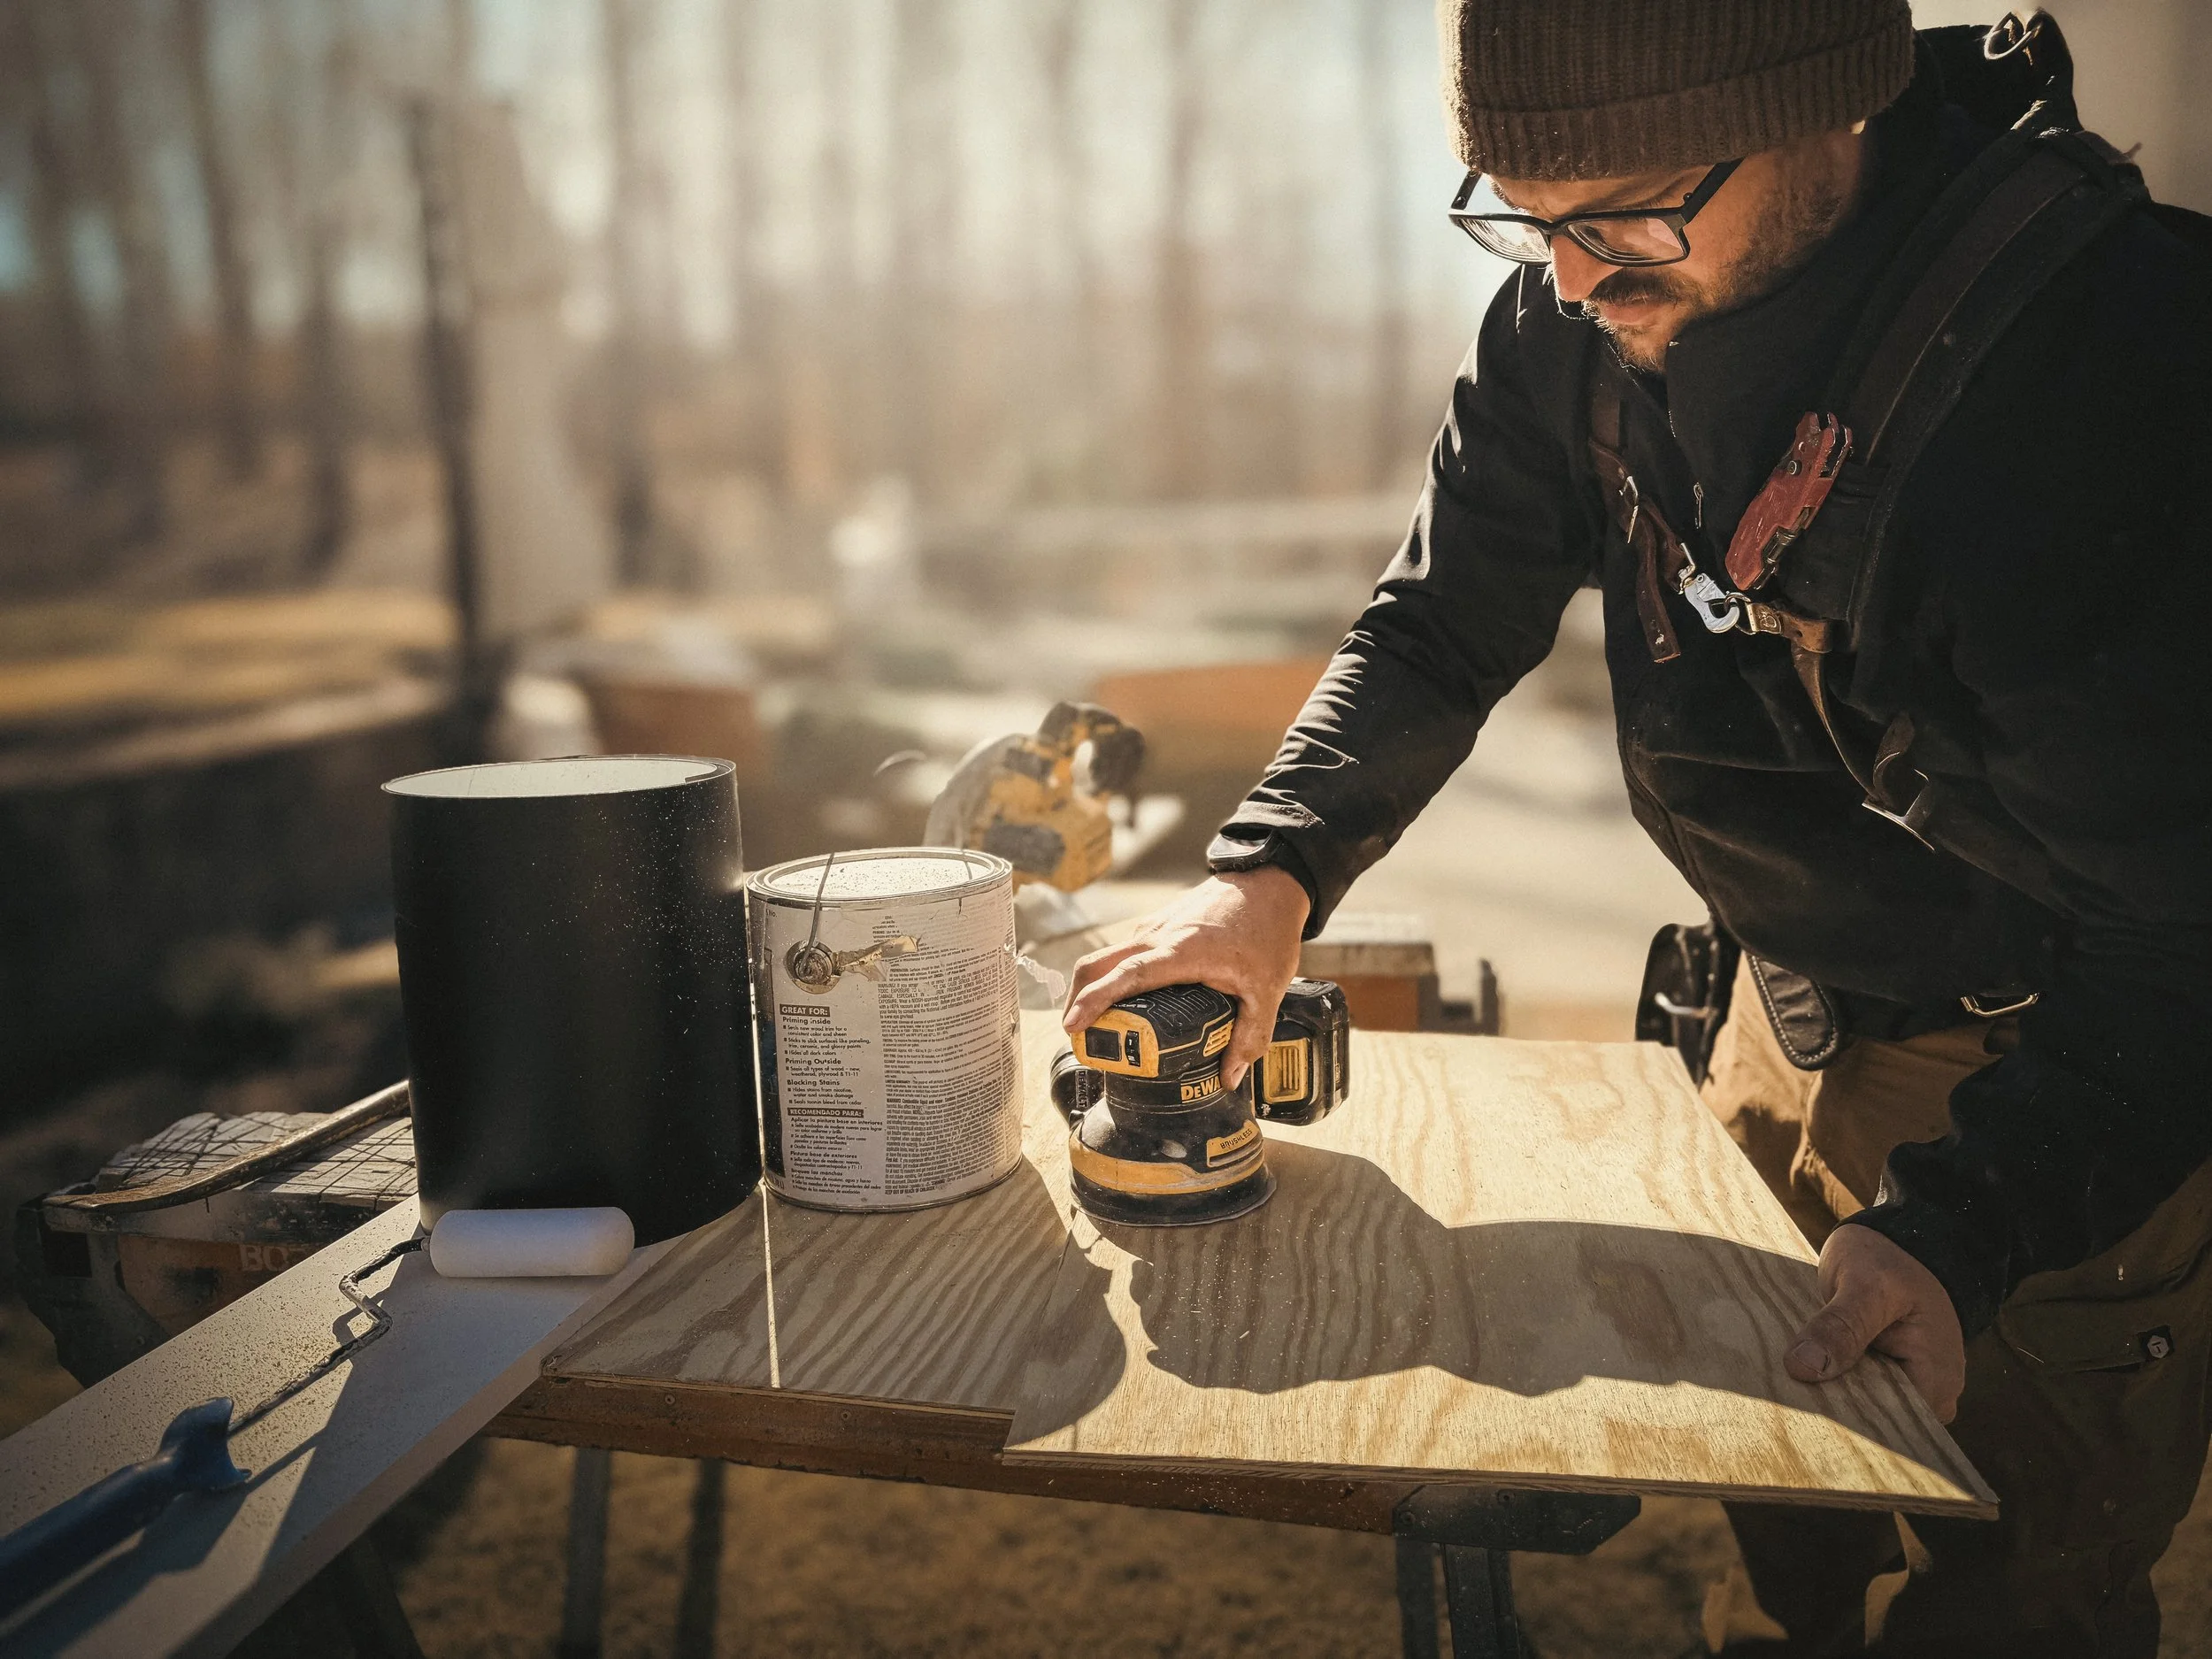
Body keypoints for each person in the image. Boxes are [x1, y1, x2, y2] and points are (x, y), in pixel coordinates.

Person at [1063, 4, 2212, 1654]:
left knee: (2019, 1591)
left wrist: (1968, 1226)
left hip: (2061, 1071)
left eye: (1622, 216)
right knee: (1778, 1533)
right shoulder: (1578, 308)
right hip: (1774, 1012)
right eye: (1527, 219)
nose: (1578, 280)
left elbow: (2187, 933)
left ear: (1824, 113)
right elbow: (1441, 621)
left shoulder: (2106, 377)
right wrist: (1267, 875)